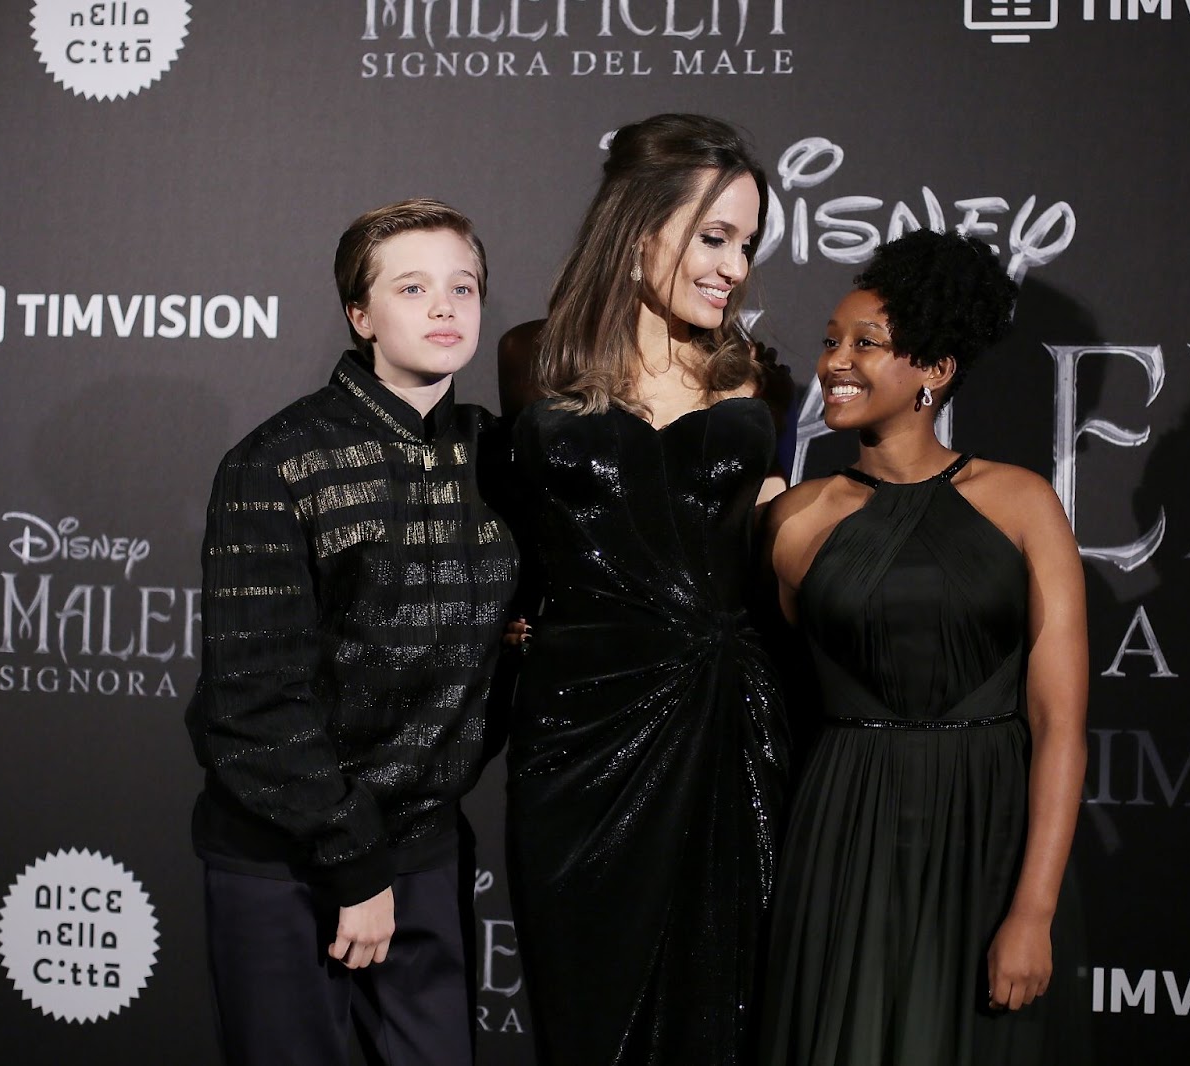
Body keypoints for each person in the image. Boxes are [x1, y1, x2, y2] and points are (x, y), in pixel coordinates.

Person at [185, 199, 519, 1065]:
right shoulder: (275, 462)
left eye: (464, 287)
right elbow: (254, 699)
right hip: (288, 858)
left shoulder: (501, 458)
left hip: (426, 848)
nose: (446, 308)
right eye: (413, 288)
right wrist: (354, 867)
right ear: (360, 314)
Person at [758, 228, 1093, 1065]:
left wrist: (1035, 910)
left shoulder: (1020, 503)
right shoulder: (795, 519)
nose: (836, 361)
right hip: (841, 827)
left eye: (867, 344)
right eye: (831, 341)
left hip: (989, 827)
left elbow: (1059, 725)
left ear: (935, 373)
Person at [505, 113, 789, 1066]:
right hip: (578, 730)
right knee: (583, 1017)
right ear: (636, 233)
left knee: (720, 1013)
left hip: (725, 723)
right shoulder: (528, 360)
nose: (735, 267)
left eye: (746, 244)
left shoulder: (756, 378)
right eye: (714, 238)